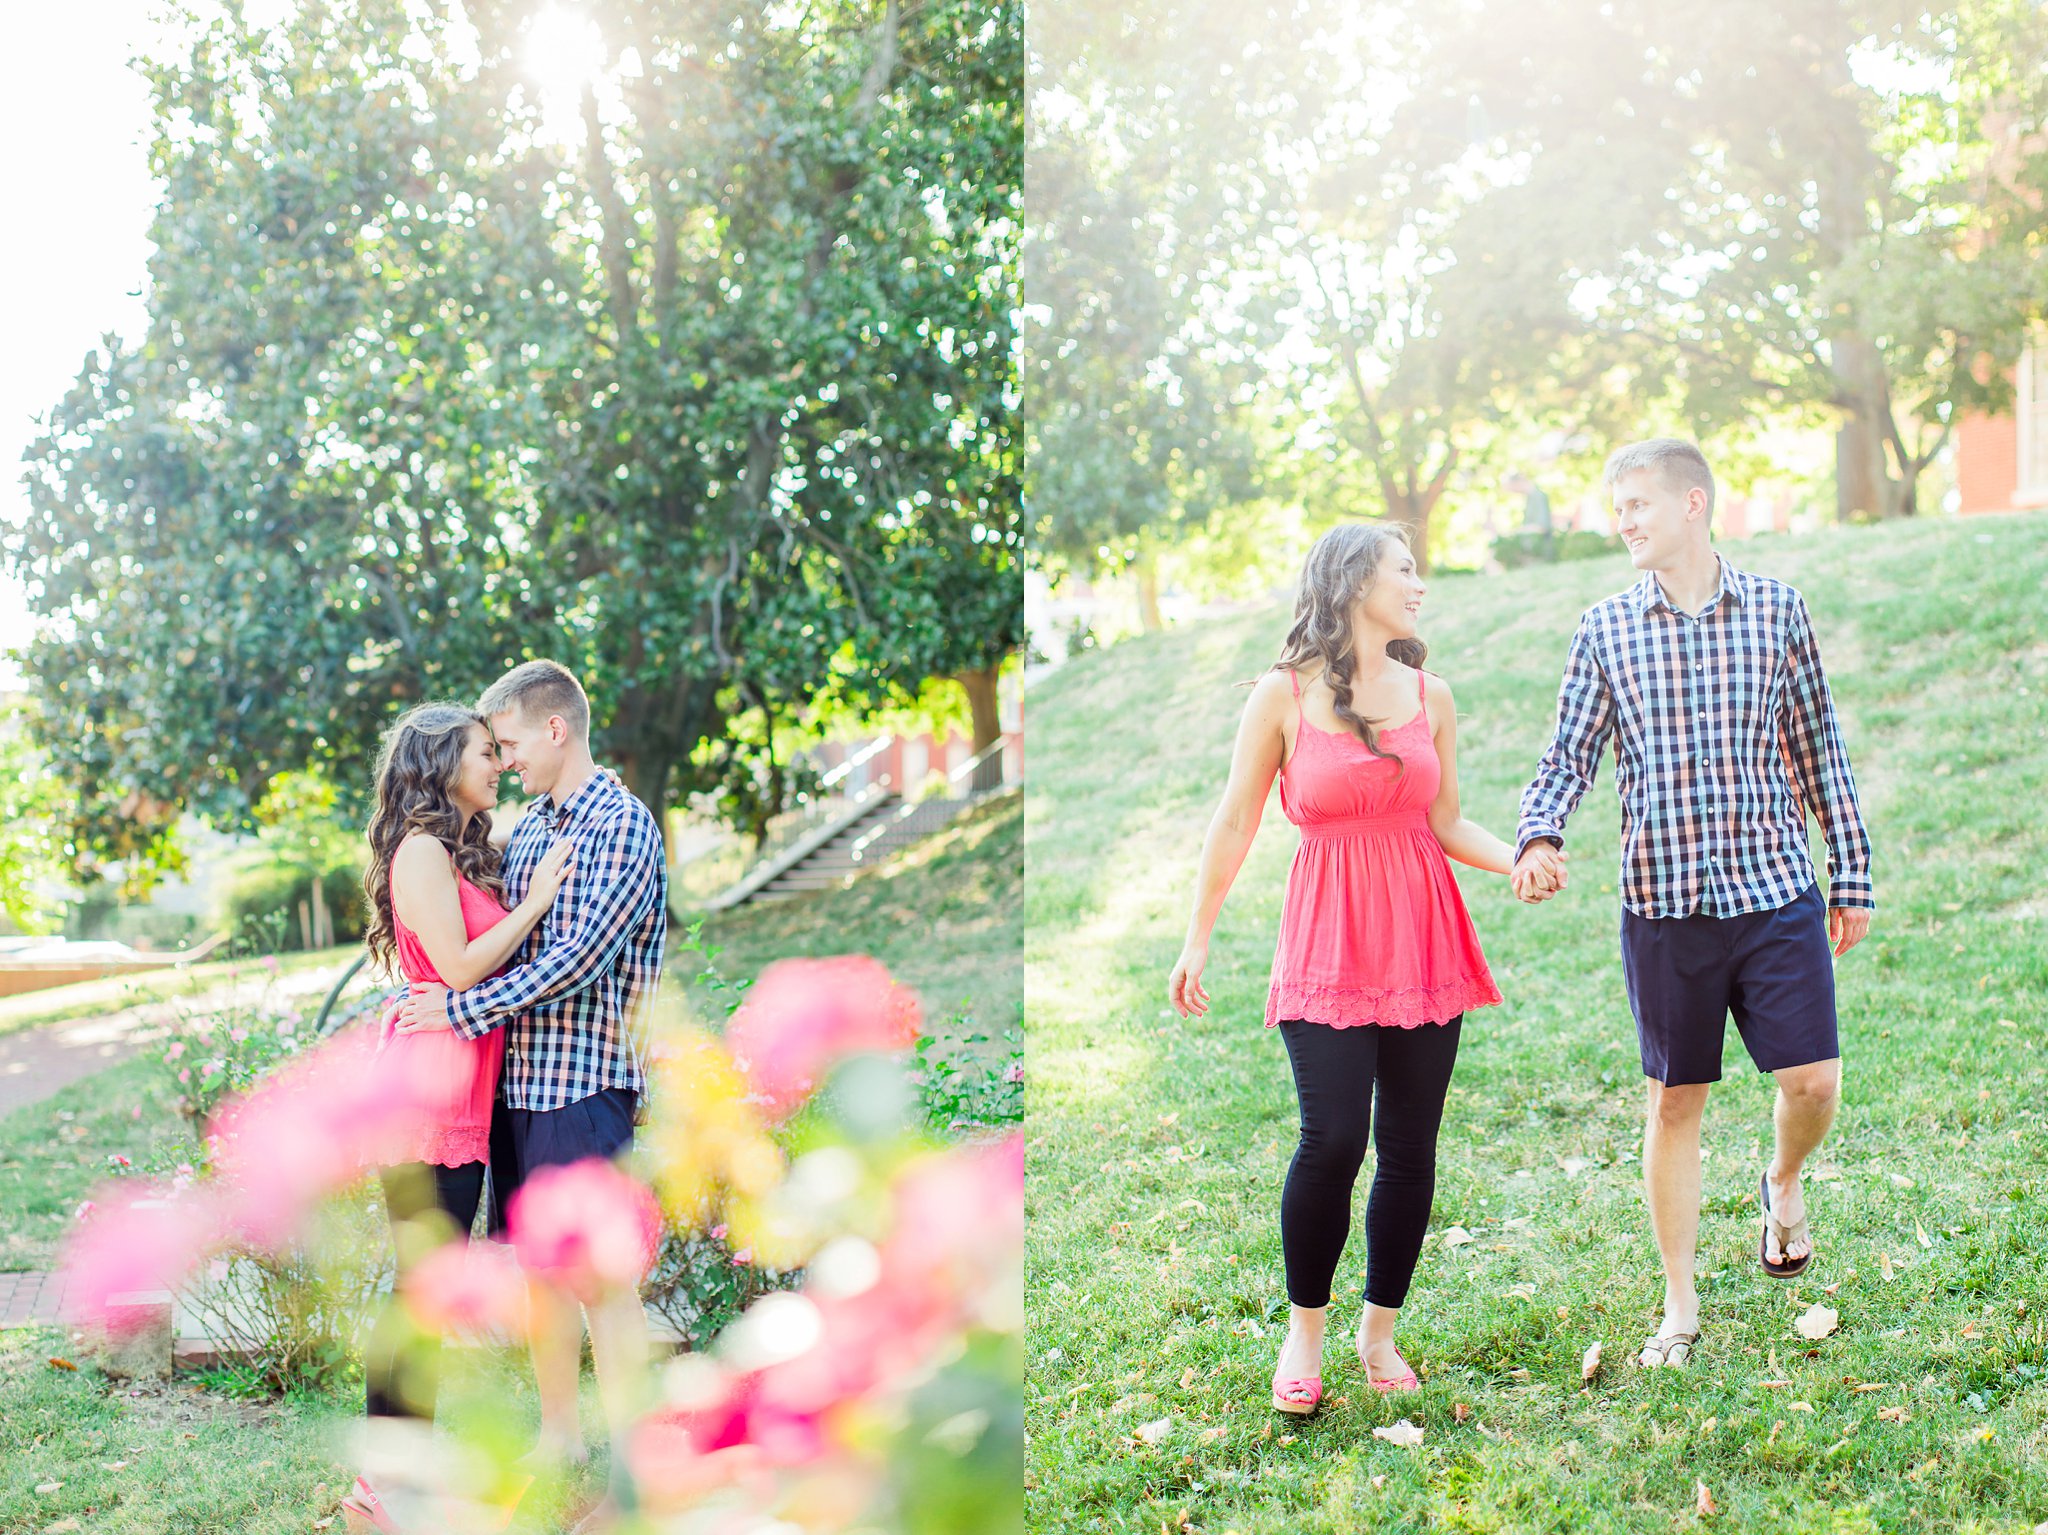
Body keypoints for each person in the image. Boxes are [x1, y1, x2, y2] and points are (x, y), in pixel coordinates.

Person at [1511, 437, 1873, 1370]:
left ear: (1693, 504)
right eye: (1617, 506)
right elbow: (1567, 756)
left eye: (1637, 503)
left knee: (1814, 1081)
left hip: (1773, 890)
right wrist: (1540, 833)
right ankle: (1680, 1306)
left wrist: (1852, 870)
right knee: (1676, 1100)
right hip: (1665, 903)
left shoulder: (1778, 611)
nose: (1623, 521)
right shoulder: (1604, 630)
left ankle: (1783, 1183)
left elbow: (1818, 747)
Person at [1166, 524, 1532, 1418]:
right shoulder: (1281, 695)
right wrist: (1197, 937)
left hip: (1423, 940)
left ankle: (1380, 1331)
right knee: (1332, 1139)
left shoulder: (1431, 694)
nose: (1418, 583)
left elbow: (1446, 821)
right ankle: (1306, 1330)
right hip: (1326, 941)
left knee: (1410, 1147)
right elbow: (1234, 822)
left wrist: (1519, 855)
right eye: (1404, 568)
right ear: (1355, 579)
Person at [395, 659, 668, 1465]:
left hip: (586, 1085)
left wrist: (458, 1008)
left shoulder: (618, 822)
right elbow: (492, 945)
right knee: (541, 1273)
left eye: (509, 741)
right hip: (520, 1088)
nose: (504, 758)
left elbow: (579, 958)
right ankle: (560, 1437)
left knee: (602, 1281)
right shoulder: (532, 831)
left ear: (556, 729)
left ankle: (631, 1454)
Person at [344, 703, 575, 1532]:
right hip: (426, 1097)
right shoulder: (419, 850)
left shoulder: (462, 853)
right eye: (486, 751)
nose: (500, 763)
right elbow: (462, 964)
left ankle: (402, 1475)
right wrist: (540, 900)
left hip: (463, 1093)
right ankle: (383, 1482)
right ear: (443, 763)